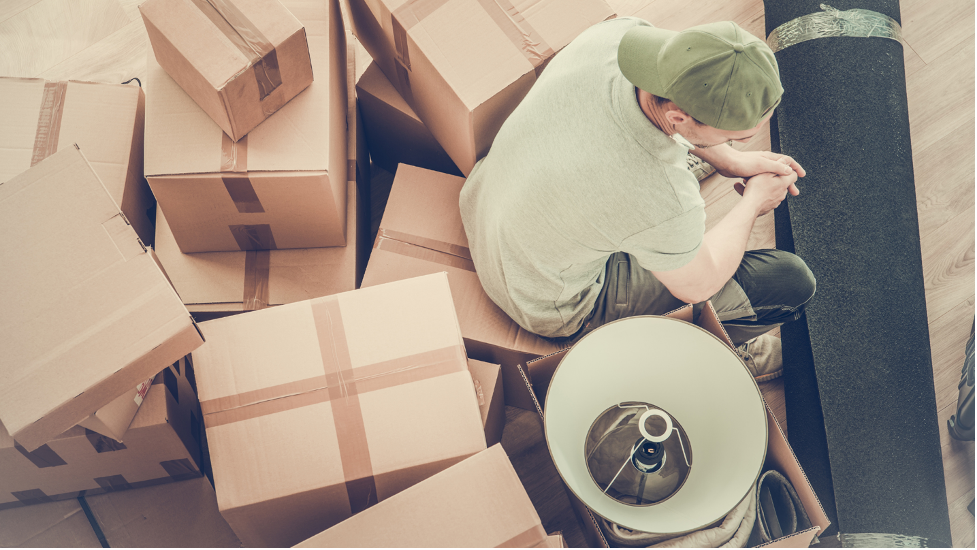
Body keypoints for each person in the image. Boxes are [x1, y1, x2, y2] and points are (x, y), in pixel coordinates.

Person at [459, 17, 817, 381]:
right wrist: (753, 202)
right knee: (790, 282)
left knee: (649, 207)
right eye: (736, 138)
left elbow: (660, 122)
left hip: (485, 202)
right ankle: (714, 347)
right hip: (540, 300)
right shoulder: (662, 196)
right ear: (678, 118)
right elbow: (700, 283)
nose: (742, 142)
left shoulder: (615, 36)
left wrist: (730, 159)